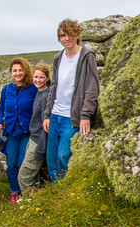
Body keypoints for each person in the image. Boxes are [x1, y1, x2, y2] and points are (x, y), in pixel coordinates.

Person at [40, 18, 99, 184]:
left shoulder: (87, 56)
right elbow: (55, 87)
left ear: (78, 35)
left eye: (70, 34)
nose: (66, 38)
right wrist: (47, 114)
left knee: (63, 154)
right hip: (55, 114)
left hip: (72, 116)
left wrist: (86, 115)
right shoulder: (58, 58)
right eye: (62, 35)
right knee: (51, 157)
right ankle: (56, 189)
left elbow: (92, 88)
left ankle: (68, 187)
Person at [0, 58, 38, 203]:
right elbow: (1, 107)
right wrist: (0, 123)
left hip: (27, 132)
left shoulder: (33, 88)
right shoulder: (6, 89)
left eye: (20, 70)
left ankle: (27, 192)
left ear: (25, 71)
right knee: (11, 165)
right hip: (11, 132)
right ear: (11, 72)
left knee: (22, 164)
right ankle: (14, 193)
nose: (18, 73)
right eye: (15, 71)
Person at [17, 63, 51, 194]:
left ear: (47, 78)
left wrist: (41, 150)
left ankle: (30, 203)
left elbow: (46, 126)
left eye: (41, 77)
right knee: (34, 175)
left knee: (24, 176)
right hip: (33, 138)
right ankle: (37, 200)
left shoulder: (46, 97)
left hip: (38, 142)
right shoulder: (39, 92)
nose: (37, 80)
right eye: (35, 77)